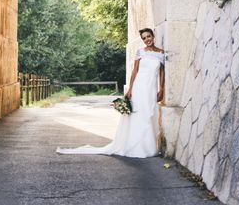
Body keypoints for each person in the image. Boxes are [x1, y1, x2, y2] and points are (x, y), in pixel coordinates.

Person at [57, 27, 165, 157]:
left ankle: (147, 146)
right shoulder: (140, 52)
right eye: (144, 38)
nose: (147, 39)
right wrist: (130, 89)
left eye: (148, 36)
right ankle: (134, 146)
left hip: (151, 88)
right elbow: (134, 72)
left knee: (149, 113)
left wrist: (162, 89)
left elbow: (161, 73)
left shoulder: (160, 53)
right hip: (139, 87)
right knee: (137, 114)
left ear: (153, 36)